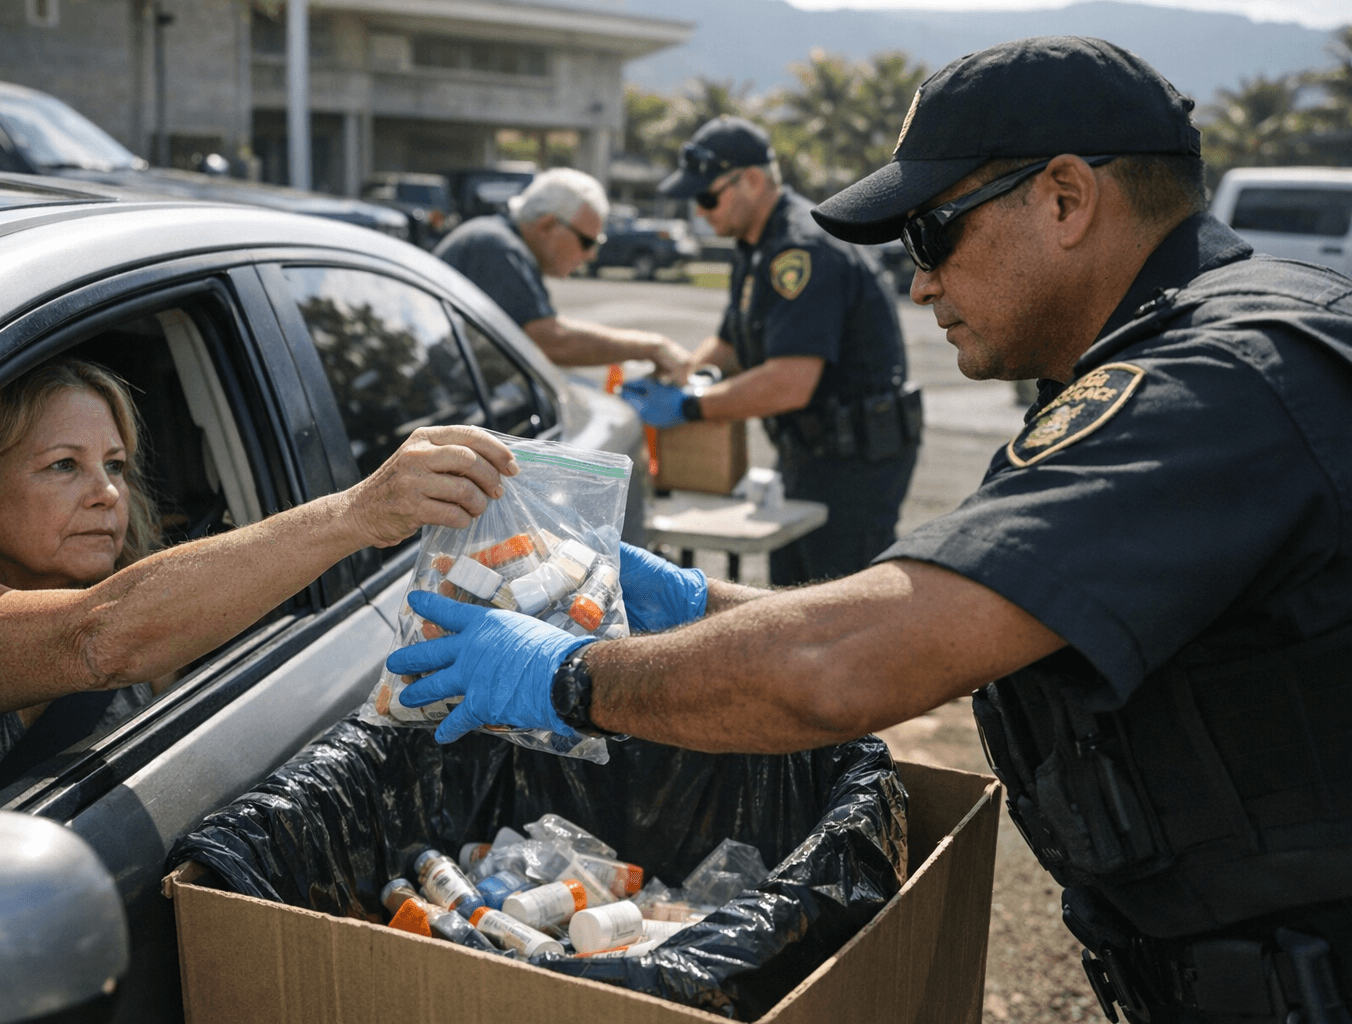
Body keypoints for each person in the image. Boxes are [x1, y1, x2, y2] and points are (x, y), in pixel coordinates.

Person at [385, 36, 1352, 1024]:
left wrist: (571, 680)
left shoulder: (1209, 384)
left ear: (1064, 198)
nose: (919, 283)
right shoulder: (1190, 354)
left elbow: (845, 669)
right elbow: (953, 619)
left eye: (931, 234)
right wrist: (691, 601)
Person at [0, 357, 517, 804]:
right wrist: (358, 512)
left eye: (116, 466)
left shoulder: (150, 602)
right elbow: (98, 638)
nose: (106, 495)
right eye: (64, 465)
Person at [622, 116, 919, 583]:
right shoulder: (754, 244)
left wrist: (690, 405)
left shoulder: (800, 251)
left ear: (754, 181)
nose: (700, 212)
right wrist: (682, 374)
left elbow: (789, 383)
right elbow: (732, 343)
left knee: (837, 604)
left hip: (855, 461)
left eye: (707, 197)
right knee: (791, 586)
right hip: (809, 450)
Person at [434, 167, 691, 383]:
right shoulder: (497, 248)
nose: (591, 255)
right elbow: (551, 341)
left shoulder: (499, 241)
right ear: (547, 225)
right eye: (588, 242)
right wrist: (650, 347)